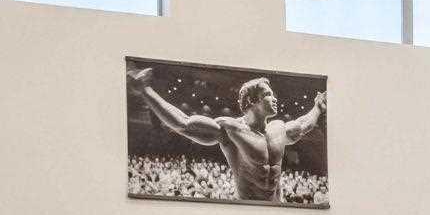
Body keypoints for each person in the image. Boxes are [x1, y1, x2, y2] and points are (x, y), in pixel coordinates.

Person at [138, 71, 322, 204]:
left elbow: (305, 124)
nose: (274, 99)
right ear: (251, 101)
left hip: (277, 208)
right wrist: (146, 90)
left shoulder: (280, 129)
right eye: (268, 94)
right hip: (246, 211)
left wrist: (318, 106)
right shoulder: (230, 129)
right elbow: (183, 123)